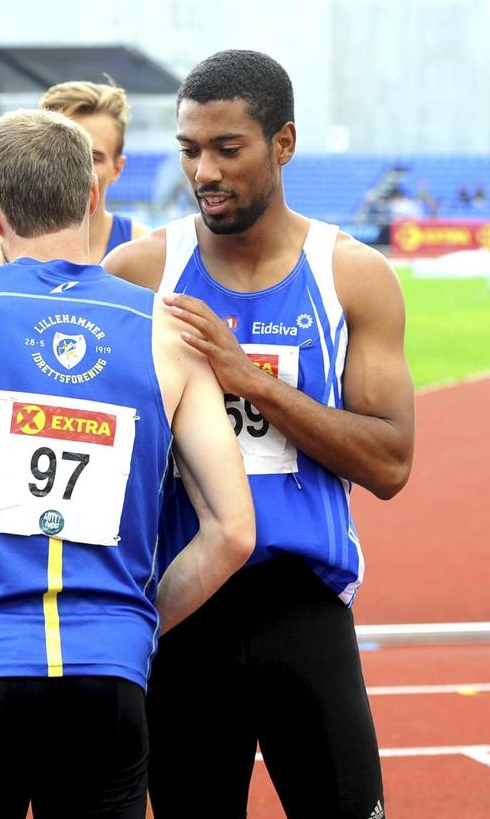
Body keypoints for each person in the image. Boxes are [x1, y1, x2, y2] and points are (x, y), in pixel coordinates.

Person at [0, 108, 255, 818]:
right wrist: (137, 622)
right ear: (92, 197)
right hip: (107, 673)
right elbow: (233, 531)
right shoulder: (169, 332)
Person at [102, 49, 415, 819]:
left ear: (283, 144)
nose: (204, 170)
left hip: (302, 609)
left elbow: (391, 461)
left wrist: (252, 383)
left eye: (227, 148)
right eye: (189, 150)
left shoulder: (350, 275)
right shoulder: (139, 273)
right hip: (179, 612)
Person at [0, 80, 149, 271]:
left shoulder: (150, 258)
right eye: (62, 154)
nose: (76, 167)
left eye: (93, 158)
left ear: (117, 168)